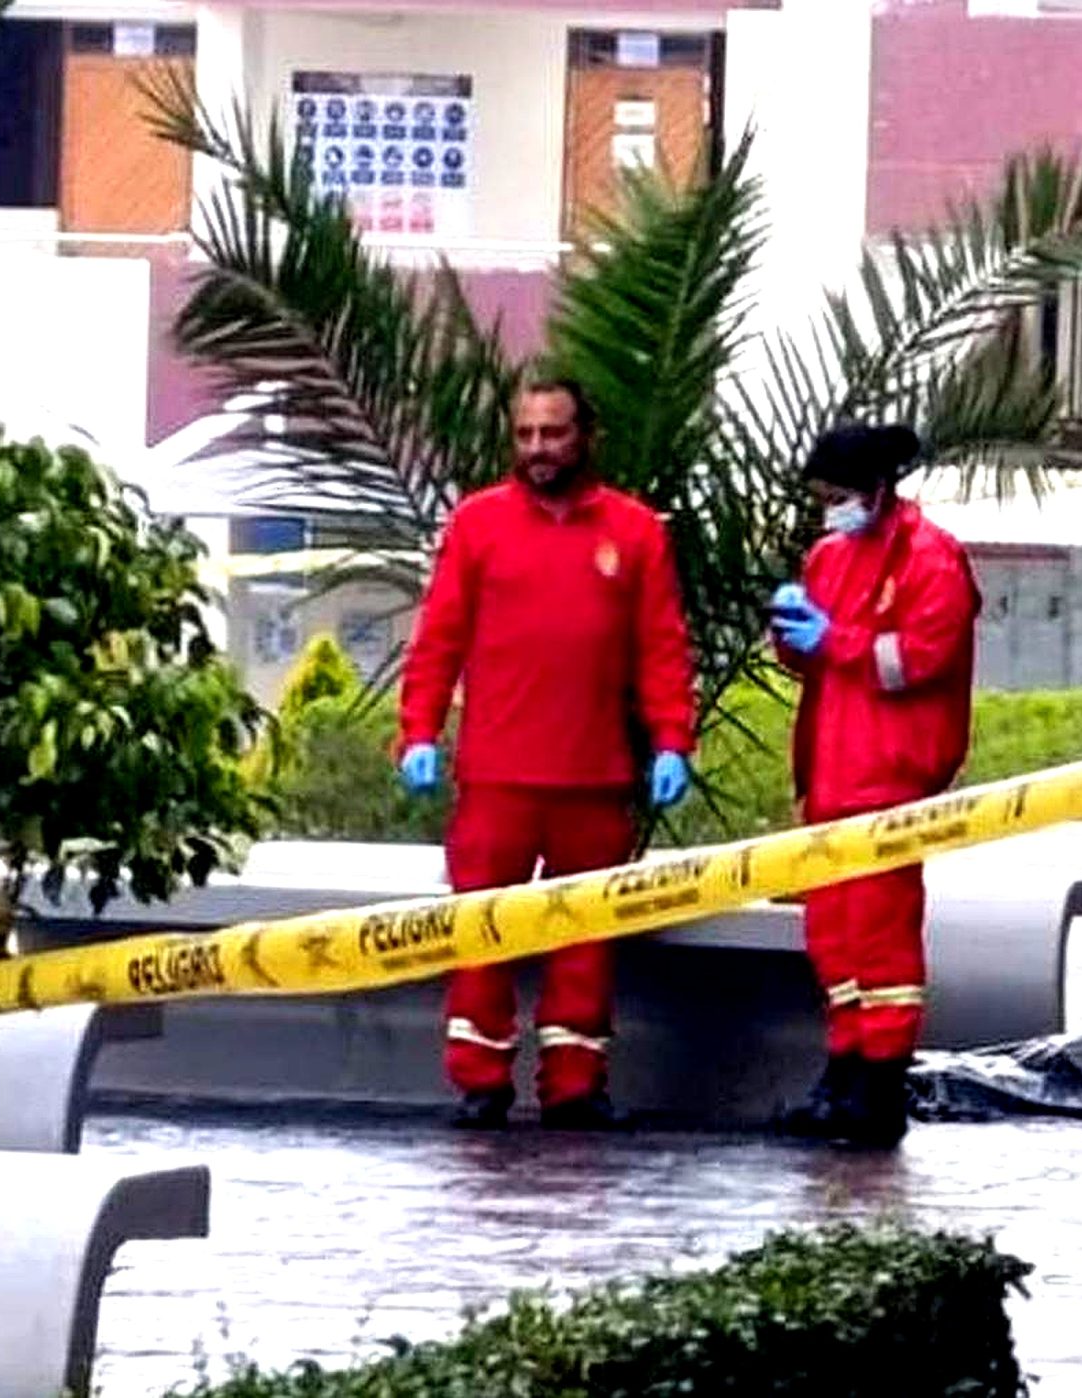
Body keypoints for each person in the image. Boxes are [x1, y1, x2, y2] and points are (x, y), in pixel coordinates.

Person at [397, 377, 697, 1131]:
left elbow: (661, 647)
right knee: (479, 934)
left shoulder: (633, 532)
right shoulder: (478, 524)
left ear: (584, 436)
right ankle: (480, 1081)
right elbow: (439, 638)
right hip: (497, 777)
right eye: (525, 434)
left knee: (585, 944)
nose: (537, 448)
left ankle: (575, 1085)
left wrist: (672, 741)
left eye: (552, 433)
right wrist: (419, 732)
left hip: (594, 779)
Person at [766, 423, 980, 1148]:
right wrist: (791, 635)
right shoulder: (828, 557)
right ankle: (845, 1072)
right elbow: (814, 665)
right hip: (830, 772)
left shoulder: (931, 559)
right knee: (834, 937)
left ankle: (880, 1086)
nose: (829, 510)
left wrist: (837, 641)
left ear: (880, 489)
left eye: (839, 496)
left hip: (892, 773)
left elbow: (920, 657)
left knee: (882, 941)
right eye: (822, 498)